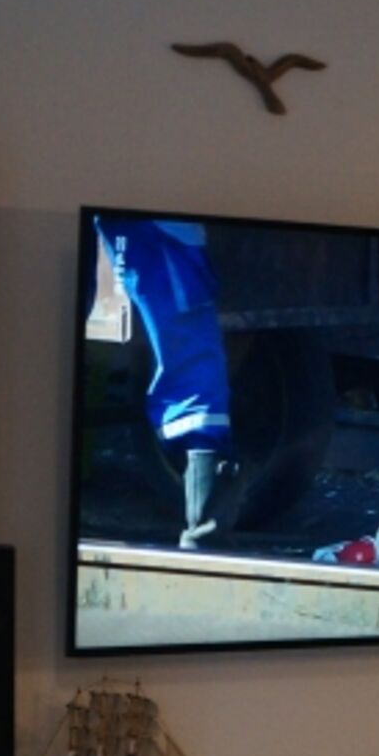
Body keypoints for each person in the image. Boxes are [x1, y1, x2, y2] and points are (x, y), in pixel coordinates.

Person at [94, 216, 234, 548]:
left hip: (149, 221)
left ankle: (204, 529)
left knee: (190, 355)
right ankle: (204, 534)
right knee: (191, 358)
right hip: (157, 225)